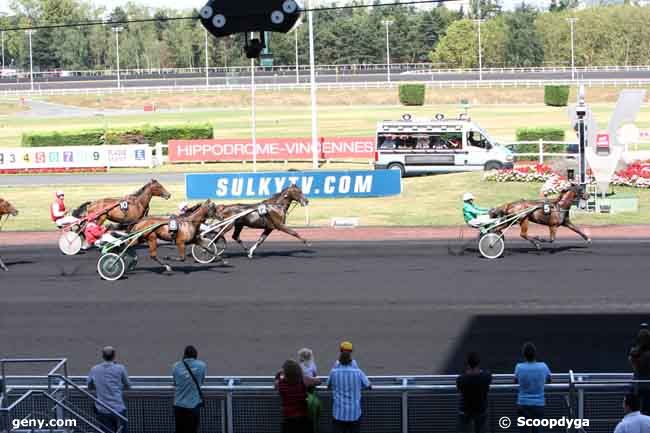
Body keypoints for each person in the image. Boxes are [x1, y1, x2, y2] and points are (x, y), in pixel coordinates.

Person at [327, 341, 371, 433]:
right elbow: (369, 386)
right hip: (354, 414)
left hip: (338, 415)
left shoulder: (333, 372)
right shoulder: (358, 372)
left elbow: (328, 386)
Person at [87, 346, 131, 433]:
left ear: (102, 356)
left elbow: (90, 386)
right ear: (114, 356)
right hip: (118, 408)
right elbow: (128, 386)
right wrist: (119, 387)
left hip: (102, 409)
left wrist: (100, 386)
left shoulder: (94, 369)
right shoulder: (120, 368)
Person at [514, 342, 551, 433]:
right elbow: (549, 380)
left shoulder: (519, 367)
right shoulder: (543, 366)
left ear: (524, 355)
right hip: (538, 405)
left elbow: (515, 381)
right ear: (535, 354)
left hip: (523, 404)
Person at [275, 359, 319, 433]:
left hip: (288, 422)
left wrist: (279, 374)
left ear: (285, 372)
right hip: (304, 420)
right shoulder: (303, 380)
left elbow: (275, 382)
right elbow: (318, 381)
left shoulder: (281, 384)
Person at [172, 345, 207, 433]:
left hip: (178, 405)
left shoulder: (176, 366)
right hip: (193, 406)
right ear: (196, 356)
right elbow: (202, 382)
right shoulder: (202, 365)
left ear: (184, 355)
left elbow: (175, 383)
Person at [456, 352, 492, 433]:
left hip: (465, 410)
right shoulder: (486, 377)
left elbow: (459, 388)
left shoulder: (461, 379)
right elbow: (487, 374)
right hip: (481, 410)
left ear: (468, 365)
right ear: (478, 364)